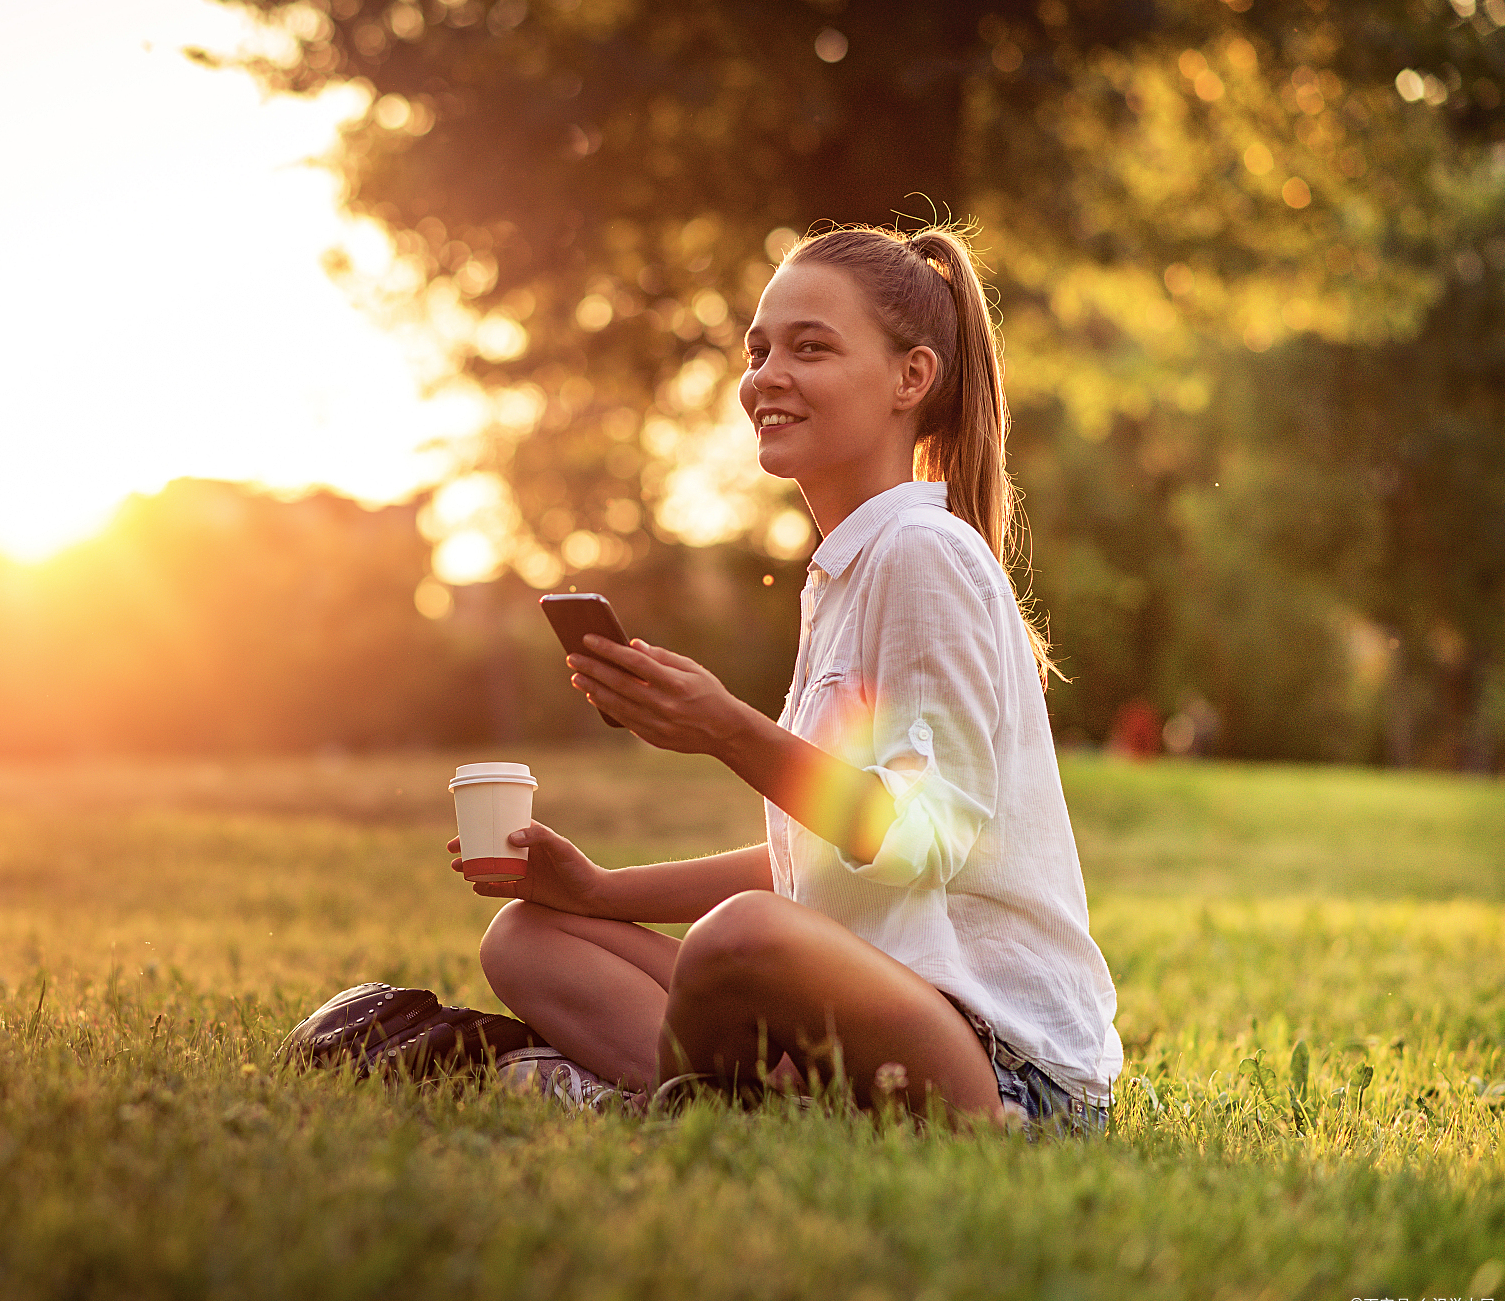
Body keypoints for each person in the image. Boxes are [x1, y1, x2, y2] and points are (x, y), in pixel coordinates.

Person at [451, 224, 1121, 1130]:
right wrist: (599, 890)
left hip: (1003, 1062)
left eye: (811, 347)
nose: (766, 375)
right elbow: (822, 860)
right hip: (863, 1011)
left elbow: (924, 840)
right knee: (532, 939)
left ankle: (674, 1102)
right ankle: (746, 1102)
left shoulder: (922, 553)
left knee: (739, 938)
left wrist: (726, 729)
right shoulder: (844, 573)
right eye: (759, 349)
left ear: (910, 378)